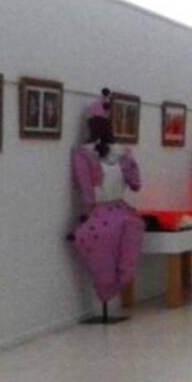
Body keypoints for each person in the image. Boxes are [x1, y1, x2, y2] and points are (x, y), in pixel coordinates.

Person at [70, 90, 144, 303]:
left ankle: (105, 289)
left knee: (88, 242)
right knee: (125, 254)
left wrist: (87, 214)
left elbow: (87, 192)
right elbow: (136, 184)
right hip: (123, 213)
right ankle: (118, 284)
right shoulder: (123, 153)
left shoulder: (82, 154)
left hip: (99, 215)